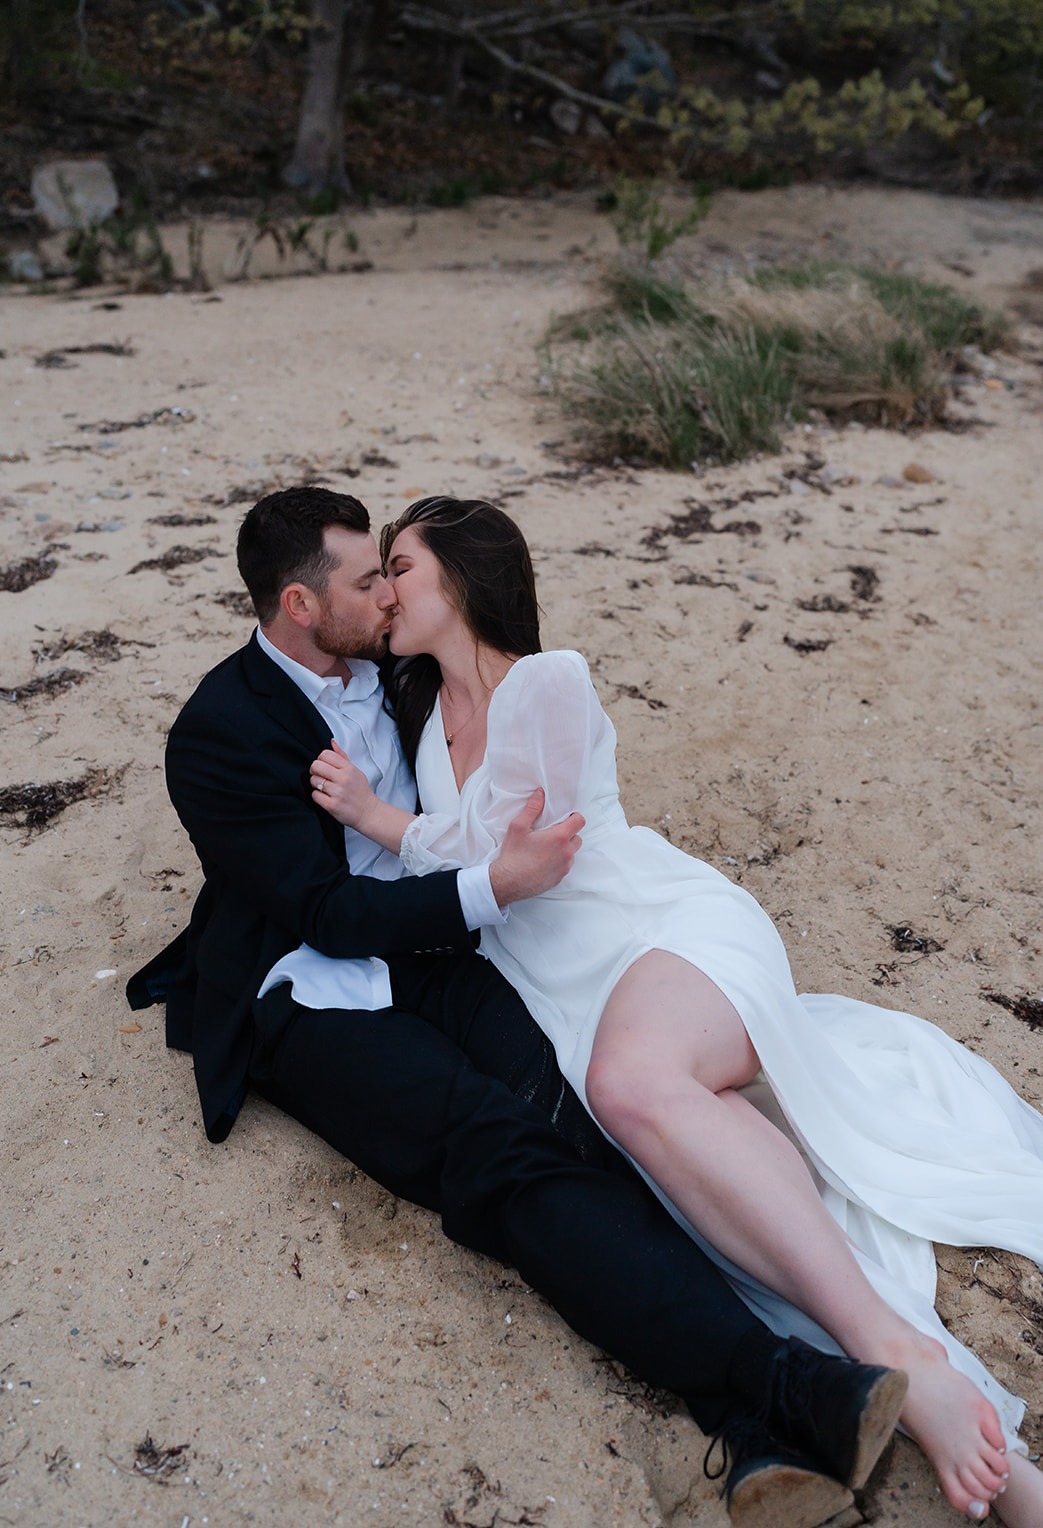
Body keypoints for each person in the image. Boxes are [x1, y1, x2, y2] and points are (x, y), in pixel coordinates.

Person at [127, 485, 909, 1528]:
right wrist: (495, 885)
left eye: (390, 572)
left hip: (443, 948)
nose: (385, 593)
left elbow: (491, 714)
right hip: (306, 989)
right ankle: (772, 1389)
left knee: (584, 1120)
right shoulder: (215, 734)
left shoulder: (397, 666)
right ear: (299, 606)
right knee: (492, 1149)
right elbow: (323, 908)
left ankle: (765, 1406)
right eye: (366, 580)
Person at [309, 494, 1043, 1527]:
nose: (385, 589)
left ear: (464, 579)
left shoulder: (545, 683)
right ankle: (996, 1458)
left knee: (631, 1084)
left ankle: (893, 1353)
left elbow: (525, 857)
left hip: (658, 931)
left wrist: (383, 819)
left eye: (402, 567)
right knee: (699, 1212)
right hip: (565, 989)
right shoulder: (421, 716)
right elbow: (471, 855)